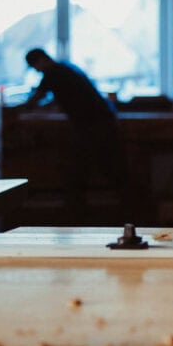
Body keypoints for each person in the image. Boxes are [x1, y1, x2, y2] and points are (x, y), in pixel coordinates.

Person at [21, 48, 126, 218]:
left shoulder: (52, 74)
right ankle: (122, 211)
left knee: (86, 169)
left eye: (35, 67)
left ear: (40, 61)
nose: (36, 71)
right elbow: (61, 97)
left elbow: (35, 99)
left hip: (92, 125)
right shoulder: (66, 68)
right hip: (102, 121)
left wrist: (19, 111)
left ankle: (78, 214)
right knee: (107, 168)